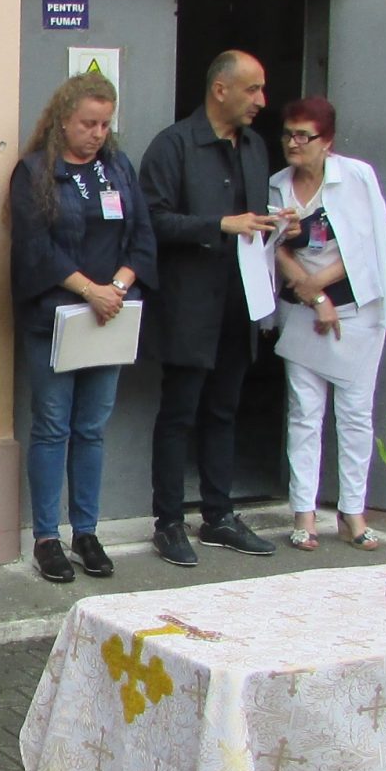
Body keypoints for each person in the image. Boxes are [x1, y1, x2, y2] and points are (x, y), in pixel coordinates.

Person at [8, 72, 156, 582]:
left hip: (109, 315)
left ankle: (86, 532)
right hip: (56, 317)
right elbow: (35, 247)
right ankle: (47, 537)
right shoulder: (34, 172)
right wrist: (89, 290)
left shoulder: (118, 168)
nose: (97, 134)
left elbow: (142, 235)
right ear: (62, 122)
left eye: (105, 125)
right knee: (52, 425)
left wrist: (116, 286)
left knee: (92, 428)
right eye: (88, 124)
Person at [141, 49, 279, 565]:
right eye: (252, 89)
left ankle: (219, 517)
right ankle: (169, 523)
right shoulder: (174, 145)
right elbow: (151, 220)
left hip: (240, 303)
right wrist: (218, 224)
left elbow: (251, 221)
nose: (261, 100)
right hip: (189, 305)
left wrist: (274, 222)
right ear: (220, 90)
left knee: (224, 412)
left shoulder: (256, 147)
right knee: (179, 415)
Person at [267, 96, 386, 552]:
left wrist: (320, 288)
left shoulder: (356, 177)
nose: (293, 143)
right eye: (288, 134)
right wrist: (314, 297)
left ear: (327, 141)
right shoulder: (279, 184)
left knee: (355, 414)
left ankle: (352, 512)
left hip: (357, 311)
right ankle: (304, 513)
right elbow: (275, 249)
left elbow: (366, 246)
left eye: (303, 136)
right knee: (304, 412)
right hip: (303, 311)